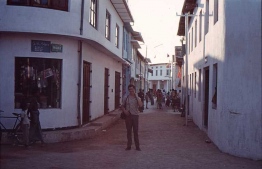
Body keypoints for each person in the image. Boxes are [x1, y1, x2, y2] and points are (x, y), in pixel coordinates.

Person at [121, 84, 143, 151]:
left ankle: (137, 146)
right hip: (128, 116)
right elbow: (122, 106)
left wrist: (136, 97)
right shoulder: (126, 97)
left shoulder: (137, 98)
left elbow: (140, 105)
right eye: (130, 89)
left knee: (135, 131)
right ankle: (129, 145)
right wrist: (125, 111)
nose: (131, 90)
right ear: (128, 90)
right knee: (129, 131)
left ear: (134, 89)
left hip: (135, 116)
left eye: (132, 89)